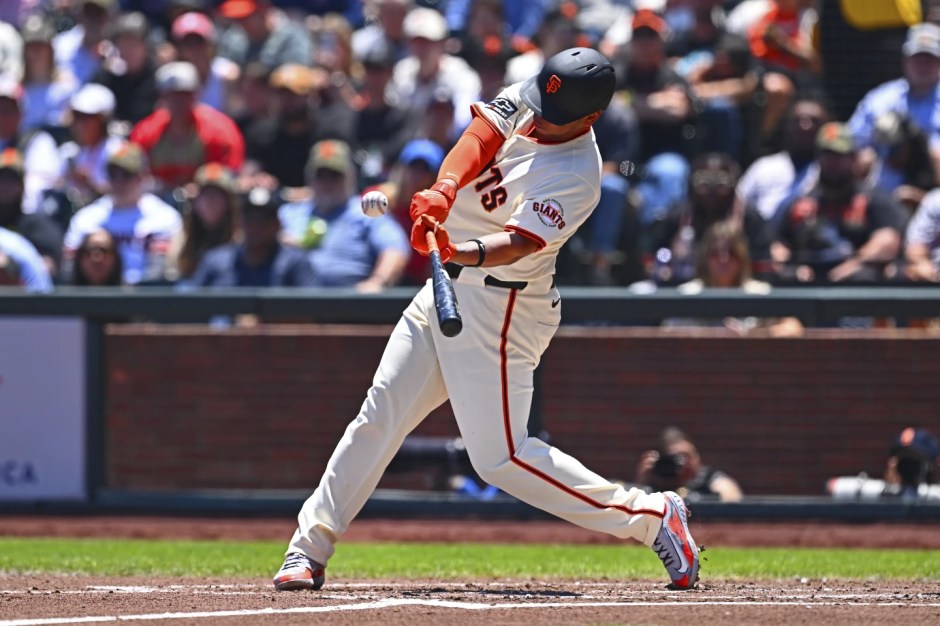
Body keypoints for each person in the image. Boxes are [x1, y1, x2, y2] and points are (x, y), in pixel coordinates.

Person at [273, 47, 700, 593]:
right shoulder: (536, 93)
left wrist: (458, 250)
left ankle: (652, 516)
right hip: (449, 288)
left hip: (502, 308)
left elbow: (518, 243)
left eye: (554, 115)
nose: (539, 117)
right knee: (379, 414)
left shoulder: (577, 174)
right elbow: (480, 135)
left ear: (590, 117)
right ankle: (308, 548)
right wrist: (444, 189)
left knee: (500, 459)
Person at [773, 122, 908, 284]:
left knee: (865, 277)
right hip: (809, 279)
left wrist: (854, 264)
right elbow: (777, 244)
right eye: (827, 155)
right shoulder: (801, 203)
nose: (832, 163)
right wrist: (789, 267)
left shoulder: (873, 199)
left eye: (839, 156)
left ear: (853, 159)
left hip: (854, 279)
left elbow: (888, 241)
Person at [278, 140, 410, 291]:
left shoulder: (367, 213)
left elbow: (395, 249)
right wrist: (279, 242)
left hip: (349, 300)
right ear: (309, 178)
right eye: (320, 175)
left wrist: (377, 282)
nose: (327, 183)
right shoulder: (290, 213)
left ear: (350, 177)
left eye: (335, 175)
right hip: (291, 300)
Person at [63, 141, 183, 284]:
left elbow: (160, 272)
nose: (118, 181)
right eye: (113, 174)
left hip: (145, 294)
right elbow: (69, 270)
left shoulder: (164, 217)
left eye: (126, 175)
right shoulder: (86, 219)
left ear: (143, 177)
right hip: (99, 293)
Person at [848, 23, 940, 197]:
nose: (922, 65)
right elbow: (851, 142)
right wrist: (868, 153)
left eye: (929, 58)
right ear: (905, 60)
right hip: (882, 191)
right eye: (917, 58)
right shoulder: (880, 99)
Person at [130, 61, 245, 191]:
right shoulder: (145, 132)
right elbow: (133, 172)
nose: (178, 102)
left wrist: (200, 189)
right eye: (172, 95)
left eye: (185, 95)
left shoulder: (220, 132)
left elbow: (228, 176)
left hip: (206, 199)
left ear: (196, 95)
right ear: (162, 97)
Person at [188, 186, 317, 287]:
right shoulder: (216, 261)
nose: (256, 226)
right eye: (250, 219)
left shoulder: (294, 263)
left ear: (277, 224)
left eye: (264, 220)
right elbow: (193, 306)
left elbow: (312, 307)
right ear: (240, 223)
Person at [167, 163, 240, 282]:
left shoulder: (239, 238)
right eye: (205, 194)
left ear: (229, 203)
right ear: (195, 201)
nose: (210, 201)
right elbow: (174, 274)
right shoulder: (183, 237)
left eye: (217, 195)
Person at [635, 427, 744, 503]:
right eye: (677, 458)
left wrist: (725, 491)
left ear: (698, 457)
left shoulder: (709, 478)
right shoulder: (657, 483)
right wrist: (643, 482)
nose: (684, 462)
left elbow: (732, 500)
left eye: (688, 456)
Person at [0, 147, 63, 276]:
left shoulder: (37, 226)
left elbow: (50, 266)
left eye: (11, 180)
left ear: (22, 185)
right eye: (2, 179)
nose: (5, 185)